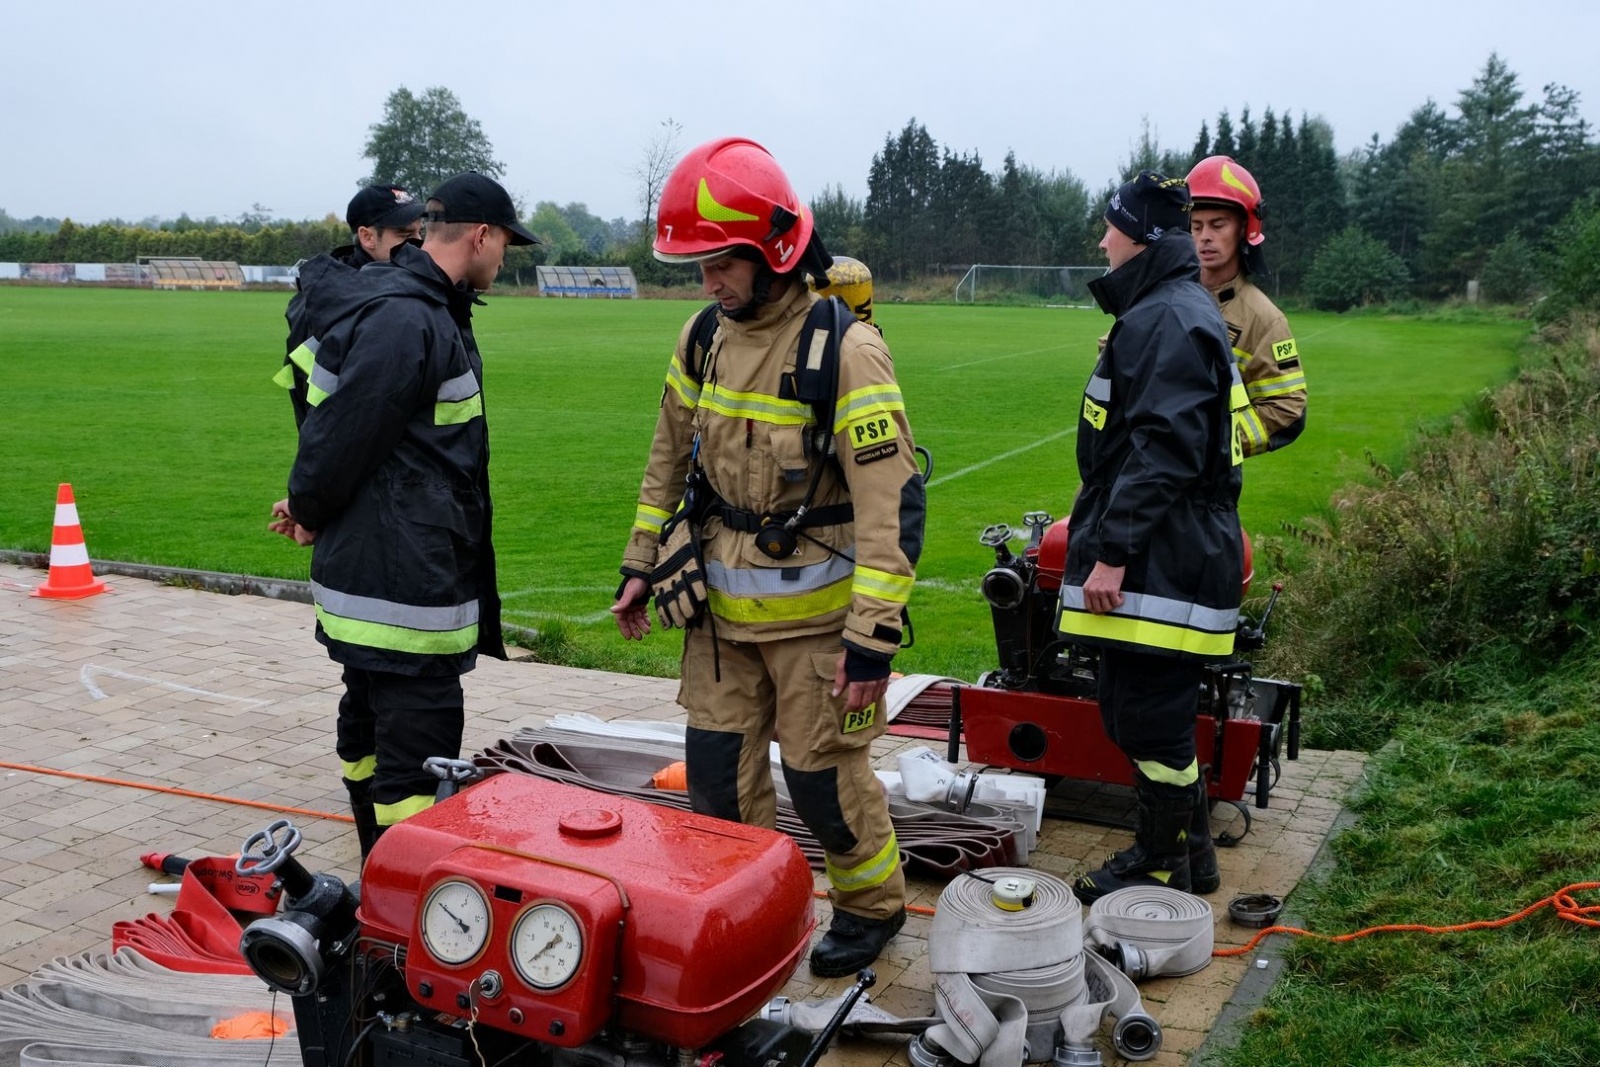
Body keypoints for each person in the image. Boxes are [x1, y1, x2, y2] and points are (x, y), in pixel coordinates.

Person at [610, 137, 925, 978]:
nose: (707, 283)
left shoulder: (845, 350)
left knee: (825, 787)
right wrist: (641, 562)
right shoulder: (702, 336)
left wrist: (872, 638)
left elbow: (889, 504)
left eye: (720, 264)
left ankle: (872, 907)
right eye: (698, 266)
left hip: (818, 631)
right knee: (715, 787)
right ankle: (749, 914)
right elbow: (666, 457)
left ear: (775, 249)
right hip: (718, 620)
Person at [270, 172, 537, 860]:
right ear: (480, 235)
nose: (505, 257)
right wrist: (306, 505)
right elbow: (341, 436)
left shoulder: (419, 305)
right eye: (505, 241)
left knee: (367, 726)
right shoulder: (408, 317)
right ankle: (396, 926)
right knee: (415, 773)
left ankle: (375, 884)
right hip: (403, 592)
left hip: (384, 576)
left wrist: (309, 506)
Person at [1058, 171, 1245, 903]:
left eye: (1111, 228)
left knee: (1150, 721)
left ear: (1140, 238)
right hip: (1171, 548)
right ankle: (1191, 860)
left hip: (1162, 557)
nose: (1102, 240)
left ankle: (1161, 865)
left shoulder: (1167, 317)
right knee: (1142, 713)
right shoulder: (1167, 309)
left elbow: (1164, 448)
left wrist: (1112, 551)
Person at [275, 184, 426, 428]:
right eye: (405, 235)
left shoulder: (391, 291)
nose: (420, 245)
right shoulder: (326, 303)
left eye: (421, 233)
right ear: (367, 237)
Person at [1185, 155, 1306, 456]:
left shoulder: (1264, 320)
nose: (1205, 238)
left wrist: (1213, 445)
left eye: (1217, 225)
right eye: (1196, 226)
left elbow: (1287, 407)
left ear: (1243, 228)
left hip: (1201, 489)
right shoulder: (1161, 296)